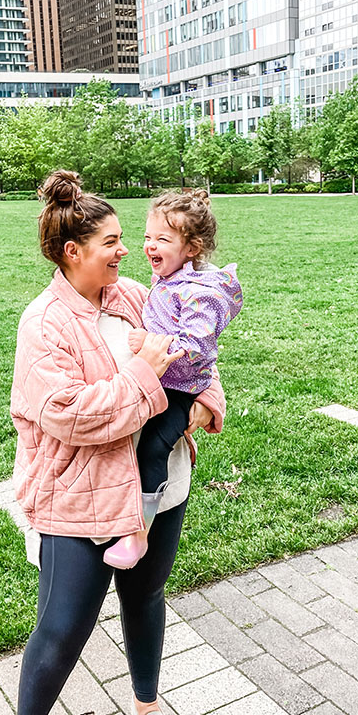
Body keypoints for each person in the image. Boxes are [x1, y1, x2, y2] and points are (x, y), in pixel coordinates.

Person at [6, 171, 226, 715]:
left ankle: (149, 705)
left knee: (145, 601)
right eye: (112, 241)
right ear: (73, 252)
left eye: (128, 238)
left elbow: (194, 359)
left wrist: (208, 403)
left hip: (161, 489)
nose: (125, 250)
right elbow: (71, 415)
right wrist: (140, 377)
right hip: (79, 500)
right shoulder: (43, 323)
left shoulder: (135, 295)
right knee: (62, 625)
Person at [103, 190, 243, 570]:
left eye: (162, 239)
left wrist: (148, 342)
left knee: (151, 448)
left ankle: (138, 534)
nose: (149, 246)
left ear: (192, 247)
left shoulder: (201, 294)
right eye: (147, 236)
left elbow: (196, 346)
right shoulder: (169, 278)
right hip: (163, 381)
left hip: (180, 389)